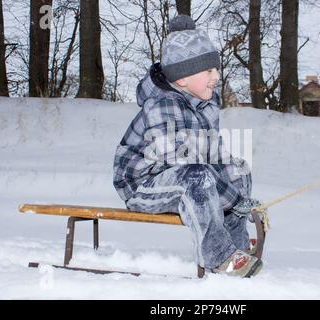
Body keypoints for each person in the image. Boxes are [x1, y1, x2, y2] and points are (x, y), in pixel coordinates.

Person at [113, 15, 263, 278]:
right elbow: (181, 161)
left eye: (216, 69)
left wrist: (238, 190)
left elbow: (213, 154)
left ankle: (236, 246)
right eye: (208, 71)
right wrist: (234, 199)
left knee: (235, 168)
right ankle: (219, 256)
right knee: (198, 177)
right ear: (182, 79)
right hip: (142, 184)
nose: (217, 76)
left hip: (184, 174)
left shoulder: (205, 101)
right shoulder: (162, 104)